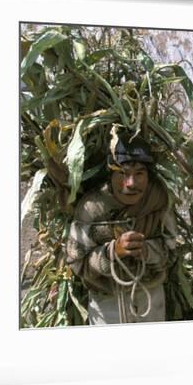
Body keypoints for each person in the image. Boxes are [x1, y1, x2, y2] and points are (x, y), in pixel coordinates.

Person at [64, 132, 176, 324]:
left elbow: (173, 251)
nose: (131, 183)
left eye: (139, 174)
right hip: (106, 307)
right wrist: (111, 253)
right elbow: (76, 263)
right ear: (110, 174)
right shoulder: (92, 208)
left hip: (151, 303)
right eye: (122, 173)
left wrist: (148, 252)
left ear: (148, 176)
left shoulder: (158, 202)